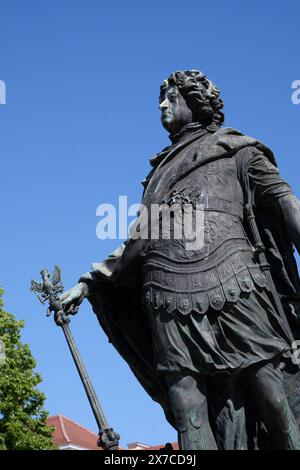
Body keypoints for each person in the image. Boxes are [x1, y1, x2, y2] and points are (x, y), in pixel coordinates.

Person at [60, 70, 300, 450]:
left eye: (171, 97)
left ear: (197, 101)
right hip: (166, 299)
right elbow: (138, 241)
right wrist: (92, 280)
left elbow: (288, 207)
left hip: (236, 283)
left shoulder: (237, 150)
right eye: (162, 98)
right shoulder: (158, 173)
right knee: (188, 409)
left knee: (272, 394)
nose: (162, 105)